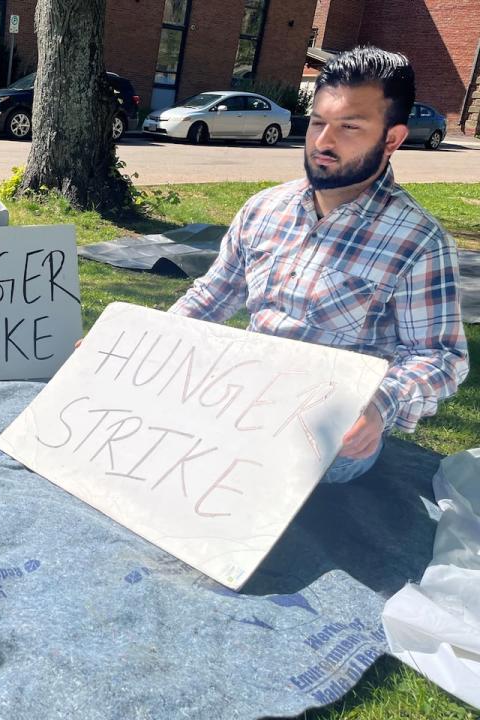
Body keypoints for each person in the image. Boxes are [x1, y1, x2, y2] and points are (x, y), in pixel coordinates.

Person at [167, 45, 468, 483]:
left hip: (329, 436)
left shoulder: (418, 242)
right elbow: (212, 295)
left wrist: (380, 406)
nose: (323, 142)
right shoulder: (264, 208)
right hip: (240, 400)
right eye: (319, 122)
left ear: (392, 139)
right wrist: (133, 341)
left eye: (349, 127)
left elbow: (440, 356)